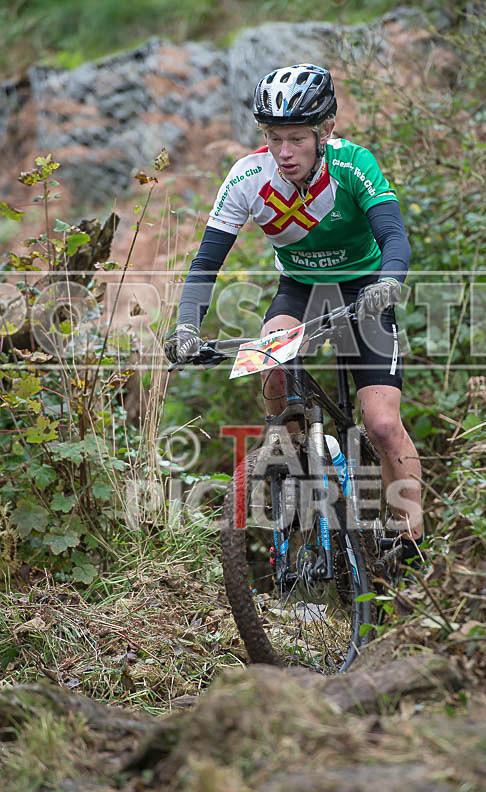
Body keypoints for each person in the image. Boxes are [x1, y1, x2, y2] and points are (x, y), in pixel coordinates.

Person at [165, 64, 423, 564]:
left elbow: (393, 234)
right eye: (274, 138)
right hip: (300, 290)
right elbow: (205, 262)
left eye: (297, 139)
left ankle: (410, 540)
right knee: (273, 376)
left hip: (365, 288)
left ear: (325, 131)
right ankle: (300, 471)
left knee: (381, 422)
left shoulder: (353, 165)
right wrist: (186, 327)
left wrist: (389, 282)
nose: (284, 153)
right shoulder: (246, 176)